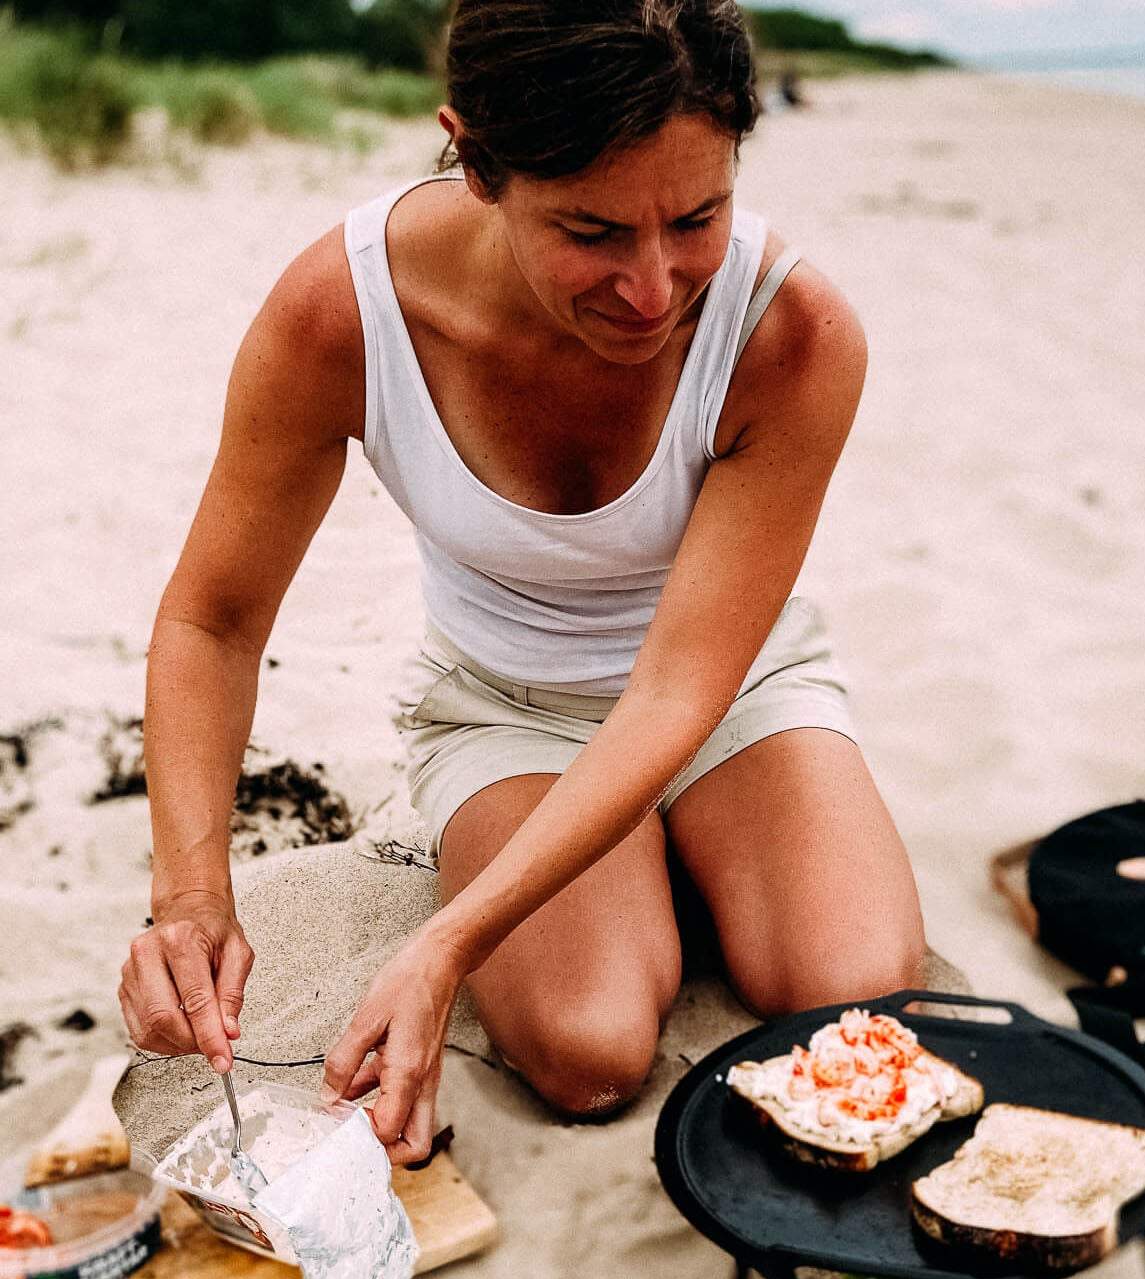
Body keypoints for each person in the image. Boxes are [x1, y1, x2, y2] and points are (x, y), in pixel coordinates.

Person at [116, 0, 925, 1163]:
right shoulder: (341, 313)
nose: (652, 289)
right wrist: (192, 893)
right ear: (478, 160)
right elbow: (213, 616)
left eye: (696, 217)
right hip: (509, 704)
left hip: (726, 687)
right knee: (587, 1051)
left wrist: (443, 944)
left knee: (847, 987)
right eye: (591, 231)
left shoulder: (792, 334)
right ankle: (622, 871)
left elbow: (677, 688)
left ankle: (697, 848)